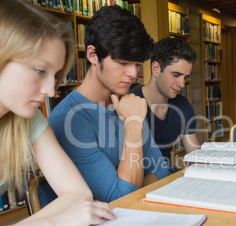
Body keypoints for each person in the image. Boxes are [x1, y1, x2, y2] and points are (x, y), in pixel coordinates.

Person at [0, 0, 115, 226]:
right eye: (40, 70)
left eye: (55, 76)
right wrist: (53, 225)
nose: (51, 91)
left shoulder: (25, 120)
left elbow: (78, 194)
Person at [43, 5, 169, 205]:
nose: (133, 74)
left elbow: (161, 168)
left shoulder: (130, 103)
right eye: (122, 62)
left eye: (137, 64)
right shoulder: (68, 120)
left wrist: (132, 186)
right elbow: (121, 198)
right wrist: (134, 123)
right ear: (93, 55)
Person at [130, 37, 200, 168]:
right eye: (176, 75)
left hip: (166, 177)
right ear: (156, 69)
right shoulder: (128, 103)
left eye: (185, 77)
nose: (182, 84)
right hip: (138, 181)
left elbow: (195, 158)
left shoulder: (182, 104)